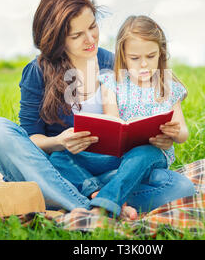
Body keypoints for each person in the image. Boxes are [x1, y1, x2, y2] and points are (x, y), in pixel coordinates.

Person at [0, 0, 194, 219]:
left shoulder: (113, 64)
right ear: (57, 39)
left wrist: (160, 137)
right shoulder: (37, 72)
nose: (91, 38)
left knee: (181, 188)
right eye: (77, 35)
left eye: (93, 26)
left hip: (109, 168)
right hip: (62, 164)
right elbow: (31, 138)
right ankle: (93, 205)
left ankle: (79, 197)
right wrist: (58, 142)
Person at [49, 15, 195, 218]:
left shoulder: (168, 87)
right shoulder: (112, 83)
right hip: (116, 158)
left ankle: (104, 202)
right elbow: (113, 123)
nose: (143, 64)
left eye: (151, 56)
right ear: (123, 56)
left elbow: (184, 132)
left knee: (148, 155)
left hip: (149, 157)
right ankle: (104, 190)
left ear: (160, 54)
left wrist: (175, 133)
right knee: (59, 156)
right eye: (135, 58)